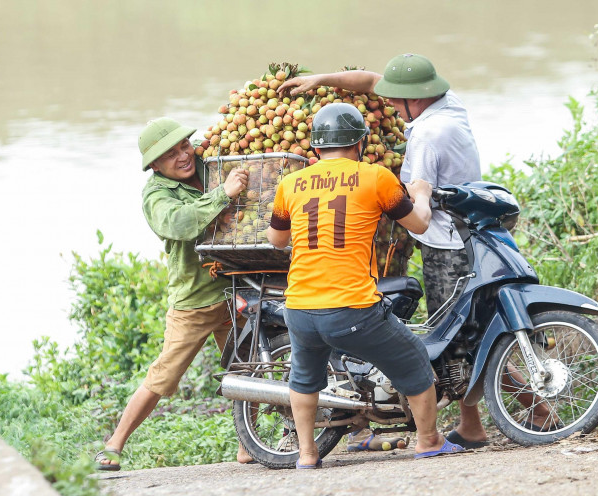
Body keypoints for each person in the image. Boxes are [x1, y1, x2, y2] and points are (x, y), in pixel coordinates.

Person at [279, 53, 558, 448]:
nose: (389, 104)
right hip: (468, 234)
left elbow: (419, 209)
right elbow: (375, 80)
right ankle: (472, 424)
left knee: (457, 338)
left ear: (416, 100)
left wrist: (388, 197)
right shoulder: (450, 105)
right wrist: (321, 79)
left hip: (446, 243)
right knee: (463, 331)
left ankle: (501, 417)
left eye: (396, 100)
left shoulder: (426, 136)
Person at [266, 103, 463, 468]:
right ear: (359, 143)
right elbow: (419, 224)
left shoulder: (289, 184)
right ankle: (429, 439)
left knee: (305, 377)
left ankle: (307, 456)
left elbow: (277, 240)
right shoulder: (375, 177)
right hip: (351, 308)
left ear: (316, 148)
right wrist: (419, 191)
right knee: (415, 358)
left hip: (299, 308)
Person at [95, 117, 251, 470]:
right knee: (164, 375)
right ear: (154, 165)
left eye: (185, 146)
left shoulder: (211, 163)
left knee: (247, 368)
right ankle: (113, 446)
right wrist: (223, 194)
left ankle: (247, 444)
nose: (183, 156)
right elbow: (178, 223)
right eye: (170, 154)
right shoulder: (156, 195)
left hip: (235, 289)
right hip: (194, 302)